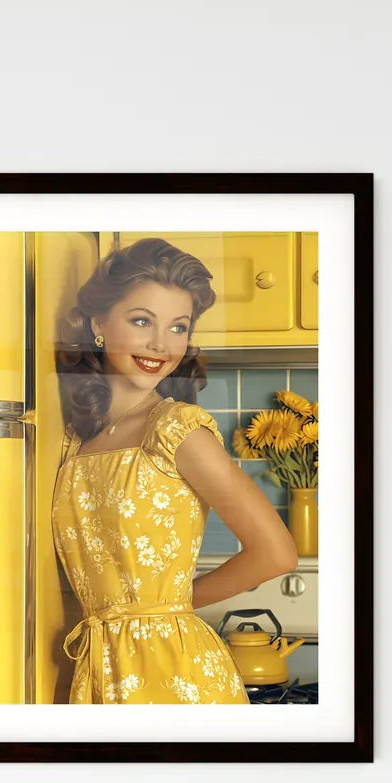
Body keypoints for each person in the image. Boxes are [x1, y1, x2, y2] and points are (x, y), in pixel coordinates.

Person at [52, 237, 299, 704]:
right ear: (98, 324)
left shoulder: (177, 431)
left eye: (178, 327)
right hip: (101, 667)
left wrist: (172, 607)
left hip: (176, 673)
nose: (160, 345)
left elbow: (277, 554)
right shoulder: (74, 439)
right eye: (142, 321)